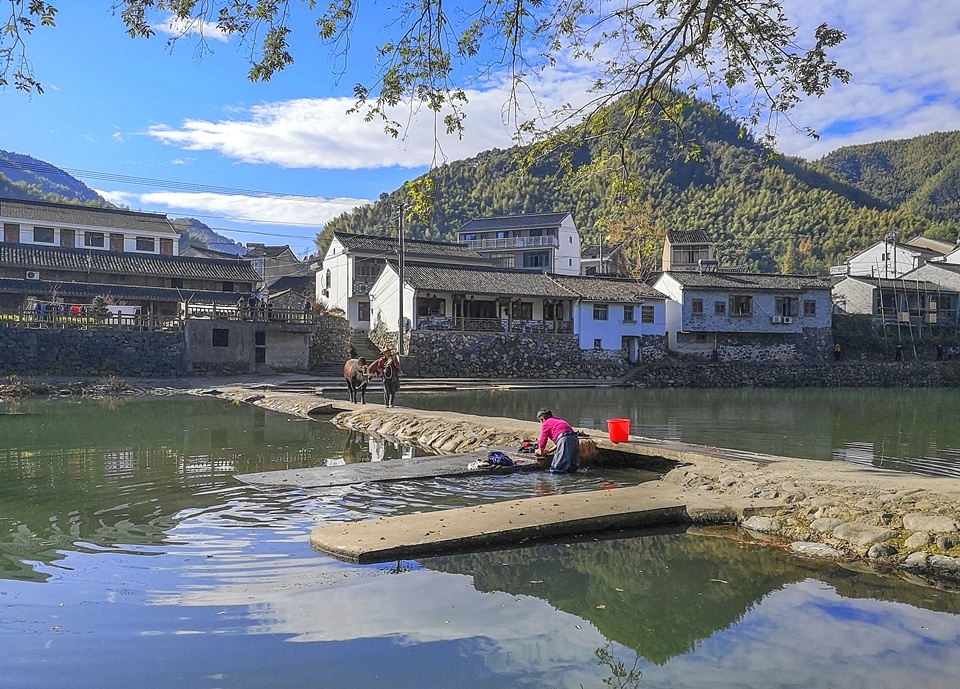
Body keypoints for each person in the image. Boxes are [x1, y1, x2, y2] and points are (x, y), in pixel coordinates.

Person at [535, 408, 580, 474]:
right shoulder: (558, 420)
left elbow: (543, 439)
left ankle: (556, 483)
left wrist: (540, 451)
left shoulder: (546, 423)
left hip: (564, 439)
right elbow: (562, 441)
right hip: (574, 438)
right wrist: (550, 451)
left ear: (543, 419)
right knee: (572, 468)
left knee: (557, 469)